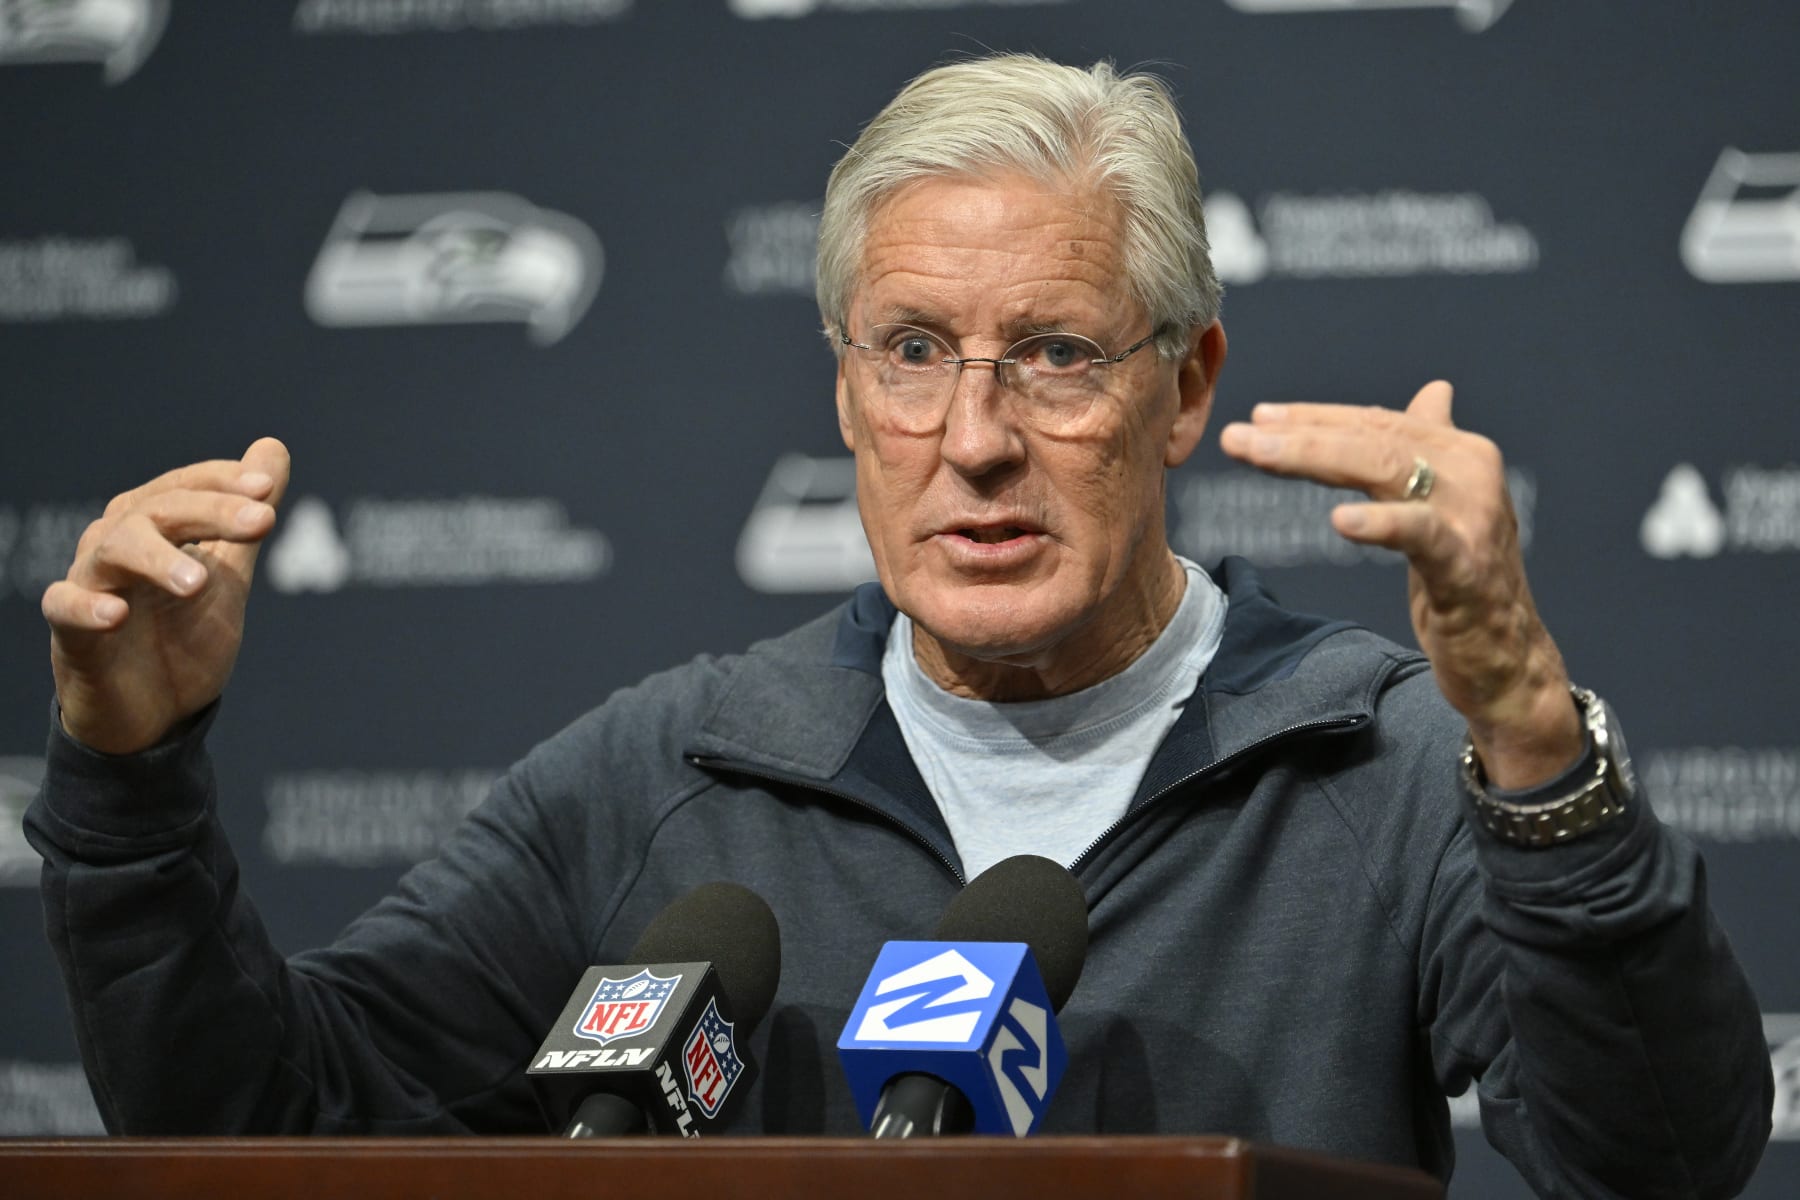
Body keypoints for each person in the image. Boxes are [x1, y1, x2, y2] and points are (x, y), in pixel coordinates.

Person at [28, 54, 1770, 1195]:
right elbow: (262, 1128)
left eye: (1059, 353)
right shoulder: (671, 775)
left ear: (1186, 391)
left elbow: (1663, 1163)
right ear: (848, 393)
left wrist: (1532, 738)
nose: (979, 438)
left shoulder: (1373, 760)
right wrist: (131, 779)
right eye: (916, 352)